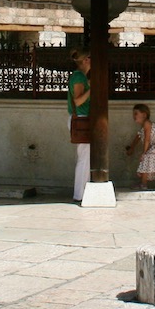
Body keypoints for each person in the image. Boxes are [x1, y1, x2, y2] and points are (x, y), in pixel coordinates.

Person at [68, 49, 91, 202]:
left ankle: (83, 191)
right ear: (86, 60)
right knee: (84, 157)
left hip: (83, 118)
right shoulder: (78, 77)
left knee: (86, 156)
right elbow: (78, 100)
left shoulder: (82, 77)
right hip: (81, 119)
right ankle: (80, 193)